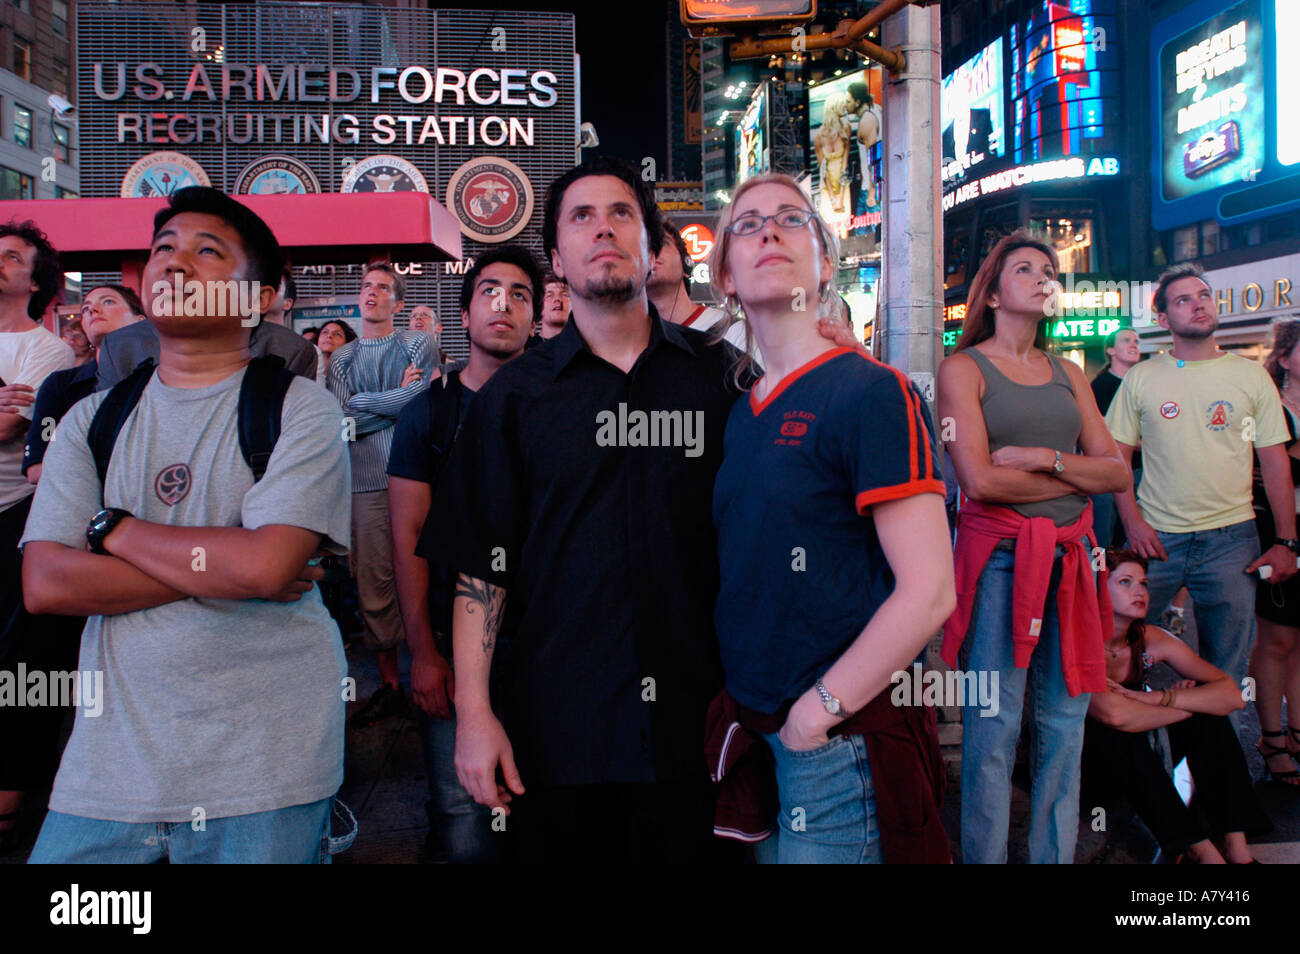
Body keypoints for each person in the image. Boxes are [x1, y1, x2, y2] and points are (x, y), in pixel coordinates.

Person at [425, 157, 745, 863]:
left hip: (701, 731)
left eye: (621, 214)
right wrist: (474, 714)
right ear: (558, 263)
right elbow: (480, 568)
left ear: (654, 245)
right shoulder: (514, 398)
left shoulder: (720, 380)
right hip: (557, 734)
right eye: (581, 217)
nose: (603, 229)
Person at [19, 186, 350, 863]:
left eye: (207, 251)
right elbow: (47, 582)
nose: (174, 264)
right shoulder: (92, 419)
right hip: (109, 774)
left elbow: (264, 567)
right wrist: (235, 568)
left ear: (259, 298)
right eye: (163, 249)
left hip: (265, 770)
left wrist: (111, 529)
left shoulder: (302, 410)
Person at [709, 171, 953, 863]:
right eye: (748, 224)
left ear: (824, 261)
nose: (769, 231)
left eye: (792, 218)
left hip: (836, 746)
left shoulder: (873, 392)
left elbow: (930, 590)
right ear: (725, 272)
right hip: (759, 732)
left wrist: (817, 715)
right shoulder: (741, 411)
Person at [938, 228, 1128, 864]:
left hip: (1073, 560)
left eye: (1050, 270)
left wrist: (1043, 458)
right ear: (991, 291)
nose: (1044, 277)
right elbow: (979, 480)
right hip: (999, 564)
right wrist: (1072, 468)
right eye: (1027, 268)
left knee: (1065, 726)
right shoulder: (963, 368)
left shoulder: (1068, 372)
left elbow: (1119, 473)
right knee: (993, 732)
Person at [388, 246, 539, 863]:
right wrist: (423, 651)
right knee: (460, 814)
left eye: (521, 294)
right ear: (466, 311)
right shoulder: (430, 411)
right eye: (489, 291)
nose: (504, 304)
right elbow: (407, 534)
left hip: (548, 650)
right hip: (455, 645)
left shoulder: (559, 405)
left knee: (543, 802)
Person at [1105, 263, 1297, 726]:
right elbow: (1115, 459)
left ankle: (1218, 785)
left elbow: (1274, 463)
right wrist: (1132, 523)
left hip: (1232, 541)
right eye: (1184, 299)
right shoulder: (1142, 378)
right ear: (1165, 319)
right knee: (1124, 657)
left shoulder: (1251, 377)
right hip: (1156, 540)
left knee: (1224, 674)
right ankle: (1134, 775)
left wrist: (1288, 542)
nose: (1199, 303)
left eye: (1204, 294)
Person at [1083, 550, 1270, 863]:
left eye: (1143, 582)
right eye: (1125, 582)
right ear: (1097, 589)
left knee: (1206, 716)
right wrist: (1190, 706)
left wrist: (1158, 697)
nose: (1139, 591)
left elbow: (1232, 696)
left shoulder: (1151, 638)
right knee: (1123, 732)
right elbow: (1114, 714)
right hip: (1090, 764)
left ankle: (1237, 847)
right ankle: (1201, 851)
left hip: (1141, 752)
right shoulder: (1080, 642)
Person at [328, 263, 433, 727]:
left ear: (398, 300)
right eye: (367, 286)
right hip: (363, 479)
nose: (372, 293)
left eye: (383, 287)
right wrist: (394, 401)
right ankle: (391, 685)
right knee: (373, 581)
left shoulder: (417, 343)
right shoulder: (341, 358)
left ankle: (433, 670)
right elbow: (342, 423)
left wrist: (364, 403)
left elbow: (421, 403)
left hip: (415, 474)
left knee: (427, 570)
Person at [0, 219, 75, 853]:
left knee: (19, 660)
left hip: (14, 516)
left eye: (12, 257)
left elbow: (10, 437)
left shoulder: (47, 353)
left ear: (36, 279)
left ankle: (11, 797)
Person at [97, 271, 317, 388]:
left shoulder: (289, 350)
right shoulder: (120, 346)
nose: (179, 265)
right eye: (165, 248)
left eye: (206, 251)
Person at [24, 285, 146, 485]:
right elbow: (37, 467)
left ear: (140, 320)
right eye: (85, 308)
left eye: (108, 301)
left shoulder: (162, 380)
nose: (92, 310)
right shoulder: (60, 386)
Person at [1251, 318, 1300, 784]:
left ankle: (1297, 735)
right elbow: (1270, 473)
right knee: (1277, 642)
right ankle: (1271, 739)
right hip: (1276, 535)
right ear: (1283, 359)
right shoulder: (1273, 410)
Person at [1089, 327, 1143, 548]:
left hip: (1141, 471)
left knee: (1132, 536)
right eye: (1127, 340)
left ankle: (1129, 577)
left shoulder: (1142, 384)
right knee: (1103, 540)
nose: (1134, 345)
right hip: (1108, 474)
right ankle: (1100, 577)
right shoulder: (1100, 387)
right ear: (1110, 350)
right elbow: (1103, 432)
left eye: (1137, 341)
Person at [538, 273, 569, 339]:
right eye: (549, 295)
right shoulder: (524, 348)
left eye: (564, 295)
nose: (557, 299)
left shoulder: (589, 347)